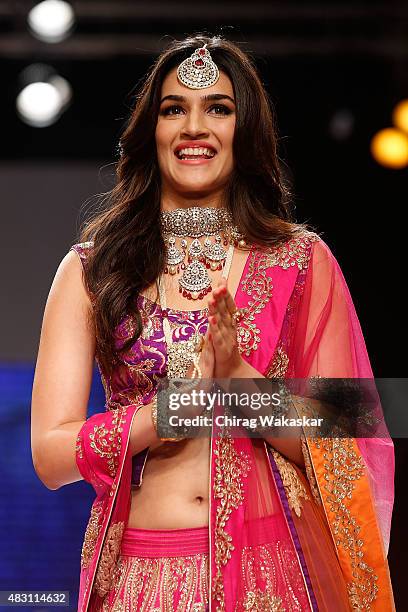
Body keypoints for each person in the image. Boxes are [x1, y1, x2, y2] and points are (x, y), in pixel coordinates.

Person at [31, 35, 395, 611]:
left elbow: (349, 442)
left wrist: (238, 379)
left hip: (271, 572)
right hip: (140, 577)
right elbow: (50, 455)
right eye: (174, 109)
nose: (194, 127)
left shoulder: (301, 262)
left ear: (243, 130)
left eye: (218, 109)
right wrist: (168, 413)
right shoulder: (91, 269)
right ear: (151, 131)